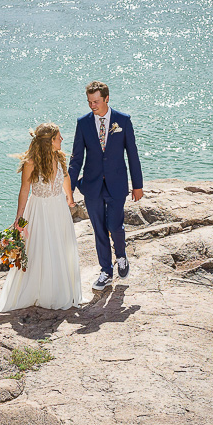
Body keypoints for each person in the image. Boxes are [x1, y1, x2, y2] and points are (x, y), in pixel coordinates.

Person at [0, 123, 85, 312]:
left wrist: (69, 198)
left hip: (59, 208)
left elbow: (65, 177)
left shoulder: (59, 157)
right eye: (59, 137)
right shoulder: (31, 162)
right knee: (42, 249)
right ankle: (41, 293)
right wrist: (19, 217)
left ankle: (60, 291)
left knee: (60, 247)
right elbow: (25, 190)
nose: (62, 139)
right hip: (39, 211)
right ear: (50, 141)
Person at [69, 81, 143, 292]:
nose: (93, 105)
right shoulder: (83, 123)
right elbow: (76, 159)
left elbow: (133, 155)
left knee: (114, 226)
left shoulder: (123, 120)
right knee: (99, 229)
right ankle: (105, 271)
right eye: (90, 102)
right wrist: (69, 189)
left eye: (96, 101)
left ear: (107, 99)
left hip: (117, 184)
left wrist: (137, 185)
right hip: (92, 186)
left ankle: (121, 255)